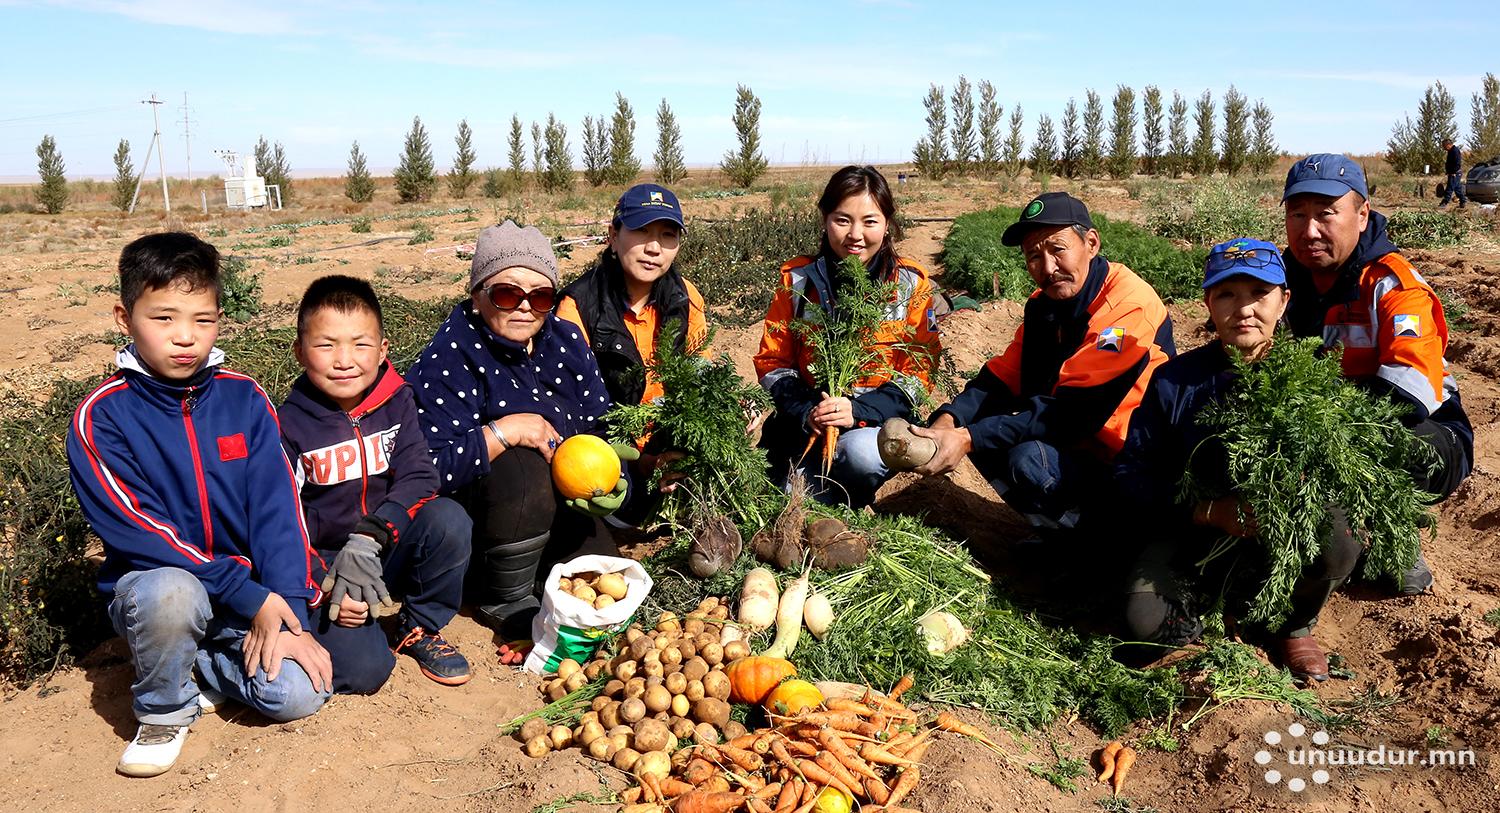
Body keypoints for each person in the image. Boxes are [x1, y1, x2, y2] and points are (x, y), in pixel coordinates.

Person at [67, 233, 330, 778]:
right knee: (171, 593)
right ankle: (163, 707)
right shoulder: (103, 417)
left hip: (246, 597)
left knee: (299, 694)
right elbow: (139, 532)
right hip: (164, 591)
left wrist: (286, 608)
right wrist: (246, 593)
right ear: (125, 316)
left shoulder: (244, 398)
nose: (185, 337)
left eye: (203, 319)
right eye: (164, 318)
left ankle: (203, 667)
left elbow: (278, 510)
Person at [1117, 239, 1361, 681]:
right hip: (1194, 533)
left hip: (1284, 531)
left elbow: (1347, 468)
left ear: (1284, 301)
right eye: (1227, 295)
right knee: (1145, 624)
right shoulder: (1174, 381)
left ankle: (1294, 622)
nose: (1244, 308)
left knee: (1340, 531)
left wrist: (1295, 489)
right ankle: (1213, 608)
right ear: (1208, 303)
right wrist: (1209, 512)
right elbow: (1132, 472)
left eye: (1258, 294)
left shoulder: (1313, 372)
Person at [407, 221, 633, 640]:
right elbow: (428, 470)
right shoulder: (450, 356)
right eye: (508, 293)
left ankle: (541, 573)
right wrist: (503, 432)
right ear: (478, 295)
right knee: (521, 464)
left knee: (608, 586)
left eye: (541, 295)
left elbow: (599, 423)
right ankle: (502, 595)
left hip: (560, 506)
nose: (525, 306)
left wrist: (614, 475)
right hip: (483, 526)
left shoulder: (564, 340)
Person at [912, 192, 1175, 535]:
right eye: (1034, 256)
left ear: (1091, 243)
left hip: (1132, 464)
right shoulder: (1044, 306)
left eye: (1058, 249)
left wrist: (970, 436)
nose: (1048, 268)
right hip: (1083, 447)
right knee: (979, 427)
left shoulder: (1128, 305)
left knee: (1023, 457)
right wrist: (950, 420)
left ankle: (1107, 546)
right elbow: (1004, 376)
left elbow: (1073, 414)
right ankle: (1057, 535)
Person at [1281, 153, 1473, 594]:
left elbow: (1410, 390)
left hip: (1417, 428)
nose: (1310, 231)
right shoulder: (1282, 281)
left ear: (1362, 215)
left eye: (1326, 214)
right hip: (1322, 424)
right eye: (1298, 214)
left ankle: (1394, 530)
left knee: (1408, 440)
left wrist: (1321, 431)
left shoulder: (1392, 284)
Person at [278, 275, 473, 689]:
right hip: (327, 563)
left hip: (384, 543)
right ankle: (333, 620)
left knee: (448, 519)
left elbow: (421, 474)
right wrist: (328, 586)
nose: (344, 360)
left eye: (360, 344)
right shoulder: (287, 424)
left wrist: (373, 534)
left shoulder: (396, 398)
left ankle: (417, 624)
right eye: (326, 345)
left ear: (383, 349)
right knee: (364, 672)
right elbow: (281, 524)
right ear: (299, 351)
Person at [753, 165, 941, 508]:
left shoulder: (910, 284)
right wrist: (809, 411)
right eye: (843, 220)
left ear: (887, 225)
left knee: (860, 456)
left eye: (870, 221)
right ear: (826, 220)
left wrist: (857, 410)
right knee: (782, 494)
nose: (856, 234)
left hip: (875, 424)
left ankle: (853, 494)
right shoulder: (796, 281)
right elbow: (773, 363)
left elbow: (920, 371)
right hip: (809, 423)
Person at [555, 183, 707, 526]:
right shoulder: (577, 307)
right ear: (613, 234)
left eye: (668, 236)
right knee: (620, 504)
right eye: (641, 231)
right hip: (611, 444)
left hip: (668, 434)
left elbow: (702, 370)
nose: (654, 248)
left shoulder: (686, 297)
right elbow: (578, 411)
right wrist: (642, 461)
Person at [1439, 140, 1467, 209]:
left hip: (1455, 173)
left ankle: (1444, 203)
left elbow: (1458, 163)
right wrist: (1448, 171)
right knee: (1457, 189)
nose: (1443, 148)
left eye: (1444, 146)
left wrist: (1453, 172)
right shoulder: (1451, 151)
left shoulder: (1455, 151)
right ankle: (1463, 201)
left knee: (1450, 188)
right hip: (1452, 173)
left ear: (1448, 145)